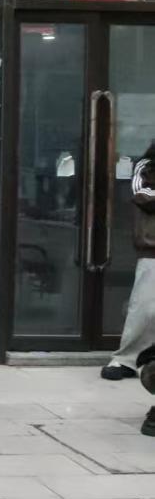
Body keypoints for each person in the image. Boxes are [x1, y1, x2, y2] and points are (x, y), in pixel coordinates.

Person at [102, 141, 155, 384]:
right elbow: (143, 196)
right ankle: (125, 360)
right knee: (144, 307)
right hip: (152, 249)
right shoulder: (146, 166)